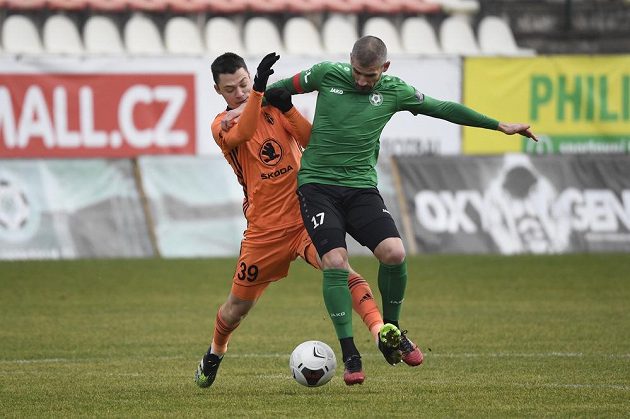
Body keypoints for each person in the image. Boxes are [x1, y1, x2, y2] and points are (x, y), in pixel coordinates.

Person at [264, 36, 538, 383]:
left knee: (394, 253)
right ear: (349, 63)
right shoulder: (325, 75)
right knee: (335, 260)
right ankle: (350, 355)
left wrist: (499, 125)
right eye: (358, 72)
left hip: (361, 188)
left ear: (386, 68)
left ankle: (391, 331)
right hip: (317, 186)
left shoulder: (395, 90)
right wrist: (253, 96)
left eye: (371, 75)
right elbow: (276, 92)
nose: (363, 81)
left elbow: (443, 108)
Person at [194, 52, 395, 388]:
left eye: (244, 83)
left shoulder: (272, 109)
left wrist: (286, 105)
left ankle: (380, 332)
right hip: (264, 232)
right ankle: (215, 352)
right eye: (231, 89)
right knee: (235, 309)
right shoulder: (222, 124)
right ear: (218, 91)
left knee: (343, 271)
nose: (240, 92)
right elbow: (243, 134)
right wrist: (258, 91)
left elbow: (309, 142)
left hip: (306, 216)